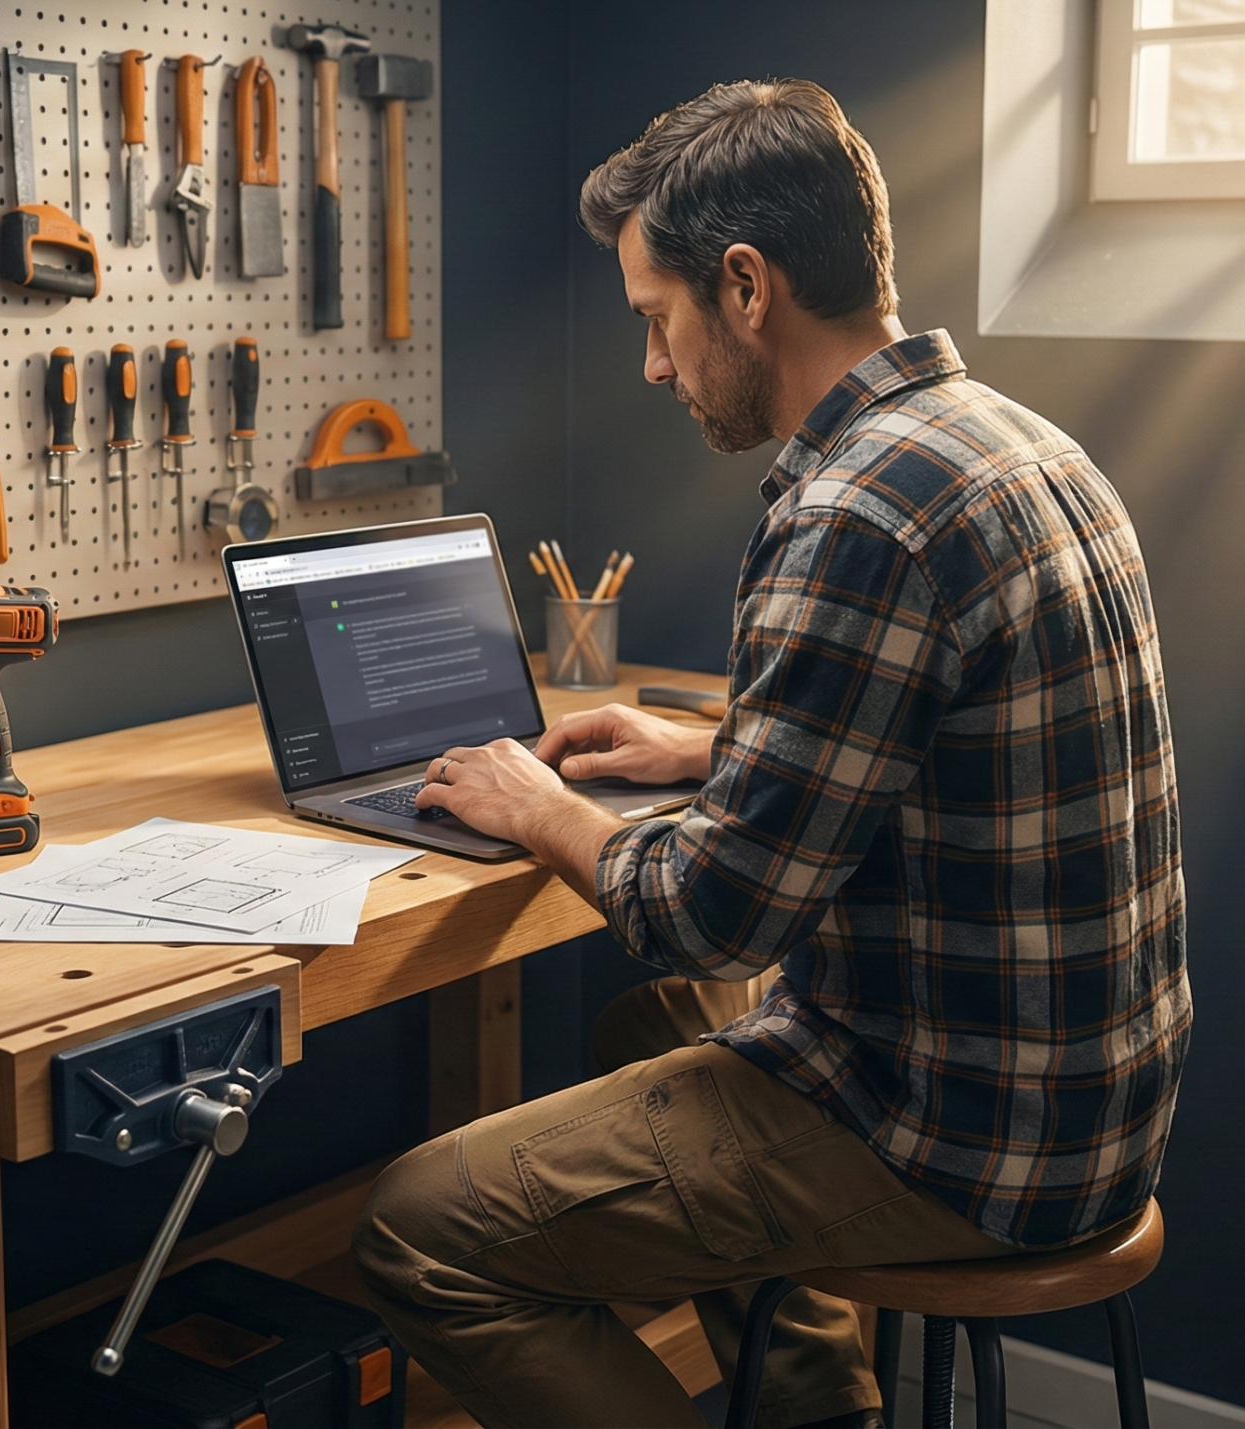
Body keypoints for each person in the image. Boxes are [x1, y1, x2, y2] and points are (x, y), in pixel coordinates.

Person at [352, 78, 1192, 1429]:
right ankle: (816, 1413)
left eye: (655, 318)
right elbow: (947, 727)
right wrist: (718, 746)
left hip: (965, 1144)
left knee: (418, 1229)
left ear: (744, 286)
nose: (653, 366)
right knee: (648, 1038)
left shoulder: (858, 508)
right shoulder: (1018, 447)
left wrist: (533, 803)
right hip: (1092, 1105)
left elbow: (703, 917)